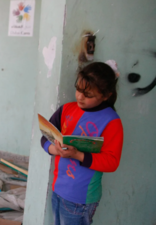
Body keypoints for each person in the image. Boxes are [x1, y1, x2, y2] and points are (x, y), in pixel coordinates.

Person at [41, 62, 124, 225]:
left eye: (88, 94)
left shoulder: (111, 121)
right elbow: (45, 136)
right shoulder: (67, 110)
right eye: (78, 89)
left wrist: (77, 155)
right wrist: (55, 150)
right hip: (58, 189)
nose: (79, 96)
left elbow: (111, 162)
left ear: (106, 95)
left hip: (81, 199)